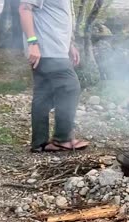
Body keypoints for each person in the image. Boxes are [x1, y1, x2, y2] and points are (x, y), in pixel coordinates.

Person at [18, 0, 89, 152]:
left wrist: (69, 45)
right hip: (47, 48)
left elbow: (56, 15)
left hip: (54, 48)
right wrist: (32, 43)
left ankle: (39, 143)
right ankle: (62, 139)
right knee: (70, 87)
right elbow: (24, 8)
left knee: (43, 93)